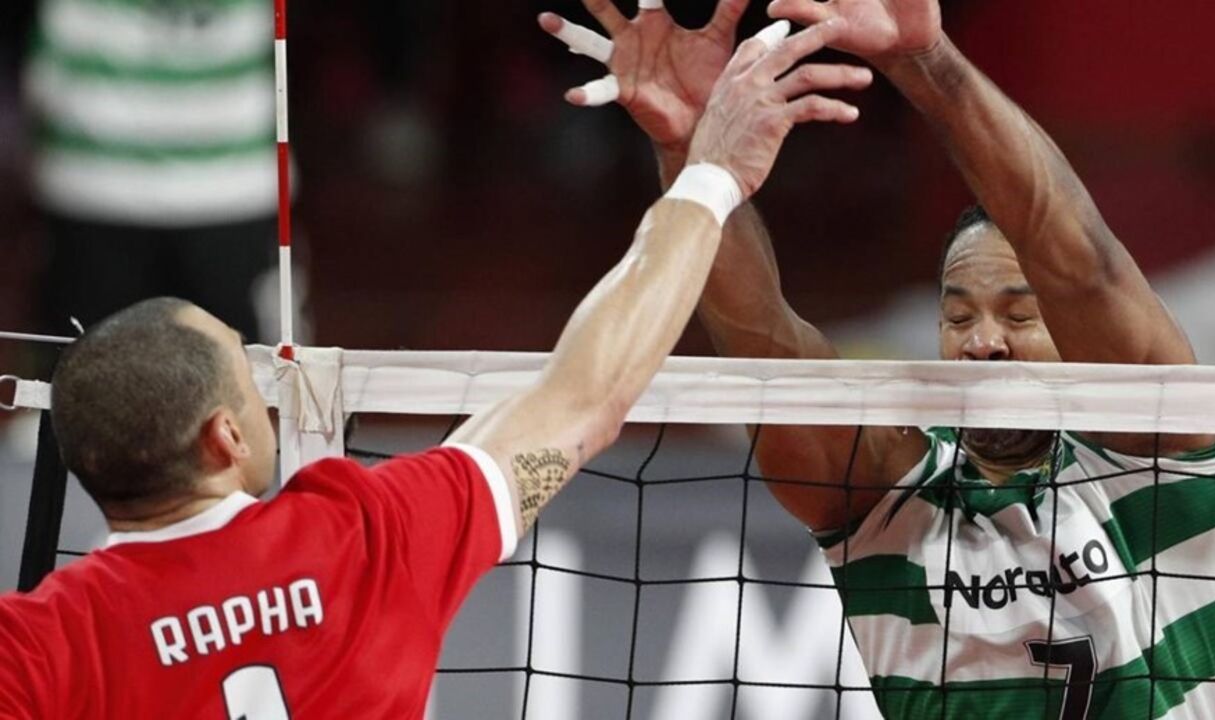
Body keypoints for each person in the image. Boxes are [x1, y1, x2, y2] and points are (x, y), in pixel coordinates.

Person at [0, 17, 871, 718]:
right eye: (247, 378)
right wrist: (708, 175)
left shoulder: (36, 647)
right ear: (225, 436)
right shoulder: (365, 539)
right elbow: (585, 395)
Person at [542, 0, 1215, 717]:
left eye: (1019, 315)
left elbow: (1080, 261)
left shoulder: (1155, 456)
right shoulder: (889, 502)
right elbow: (760, 341)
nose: (982, 341)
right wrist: (696, 157)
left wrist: (924, 60)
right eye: (958, 316)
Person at [26, 0, 281, 342]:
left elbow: (41, 85)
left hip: (105, 181)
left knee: (89, 364)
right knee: (240, 365)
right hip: (215, 184)